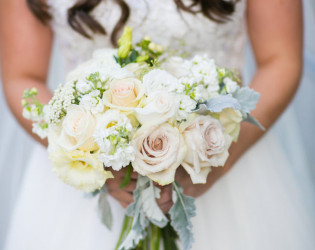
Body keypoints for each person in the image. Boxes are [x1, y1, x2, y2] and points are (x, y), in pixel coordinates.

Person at [1, 0, 314, 249]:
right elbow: (22, 77)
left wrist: (216, 160)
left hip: (228, 159)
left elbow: (281, 58)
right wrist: (91, 158)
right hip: (82, 185)